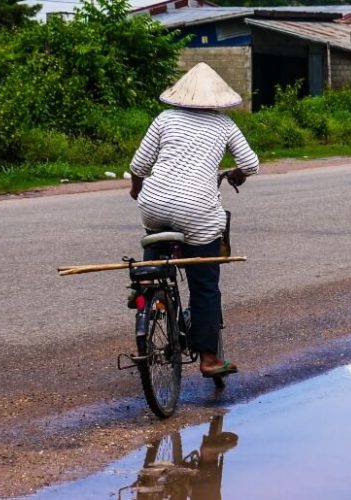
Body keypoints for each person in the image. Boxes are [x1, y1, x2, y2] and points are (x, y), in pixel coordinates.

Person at [128, 63, 259, 378]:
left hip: (154, 204)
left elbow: (138, 166)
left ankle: (147, 285)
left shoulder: (165, 118)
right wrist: (235, 176)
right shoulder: (224, 125)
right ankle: (209, 359)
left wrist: (136, 192)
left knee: (156, 242)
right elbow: (250, 164)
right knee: (205, 286)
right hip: (198, 210)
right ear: (216, 99)